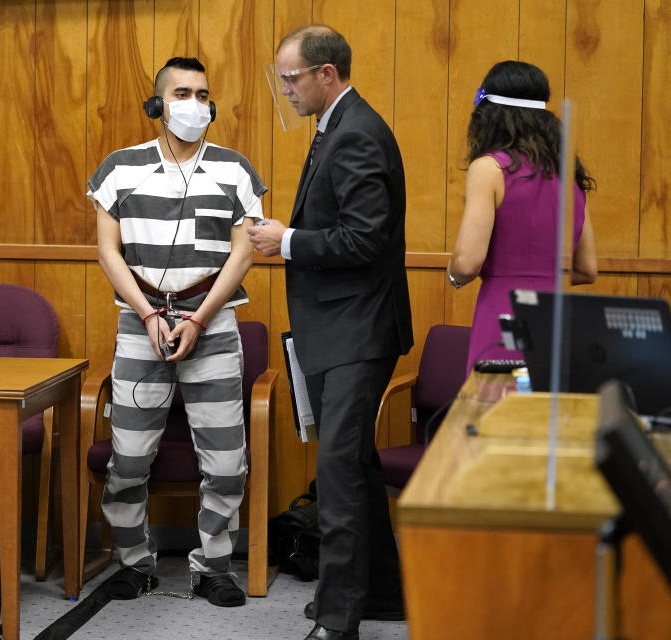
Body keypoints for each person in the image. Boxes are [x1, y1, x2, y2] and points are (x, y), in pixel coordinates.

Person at [249, 25, 412, 640]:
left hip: (356, 329)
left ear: (327, 73)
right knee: (358, 468)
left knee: (340, 474)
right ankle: (384, 593)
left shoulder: (356, 135)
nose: (285, 90)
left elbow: (365, 240)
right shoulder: (340, 126)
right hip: (341, 326)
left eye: (291, 78)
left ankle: (340, 622)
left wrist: (285, 241)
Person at [87, 56, 266, 607]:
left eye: (203, 94)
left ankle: (212, 566)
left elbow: (243, 255)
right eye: (182, 93)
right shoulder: (119, 167)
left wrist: (198, 318)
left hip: (211, 325)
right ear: (157, 104)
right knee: (129, 458)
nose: (195, 103)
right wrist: (147, 315)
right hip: (140, 324)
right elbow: (107, 251)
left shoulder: (236, 170)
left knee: (227, 458)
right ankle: (135, 562)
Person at [449, 60, 597, 374]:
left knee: (495, 414)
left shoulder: (489, 169)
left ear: (487, 115)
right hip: (557, 319)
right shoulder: (568, 173)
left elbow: (466, 263)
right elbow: (586, 269)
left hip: (504, 316)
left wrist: (454, 277)